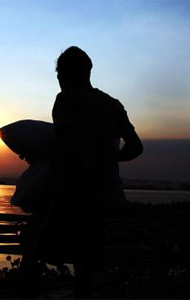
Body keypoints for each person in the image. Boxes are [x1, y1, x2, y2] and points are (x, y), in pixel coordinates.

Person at [48, 46, 143, 298]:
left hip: (72, 192)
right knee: (89, 262)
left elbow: (67, 146)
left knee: (39, 249)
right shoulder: (113, 104)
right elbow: (136, 147)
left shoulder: (65, 100)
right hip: (105, 193)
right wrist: (110, 158)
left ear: (64, 76)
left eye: (60, 75)